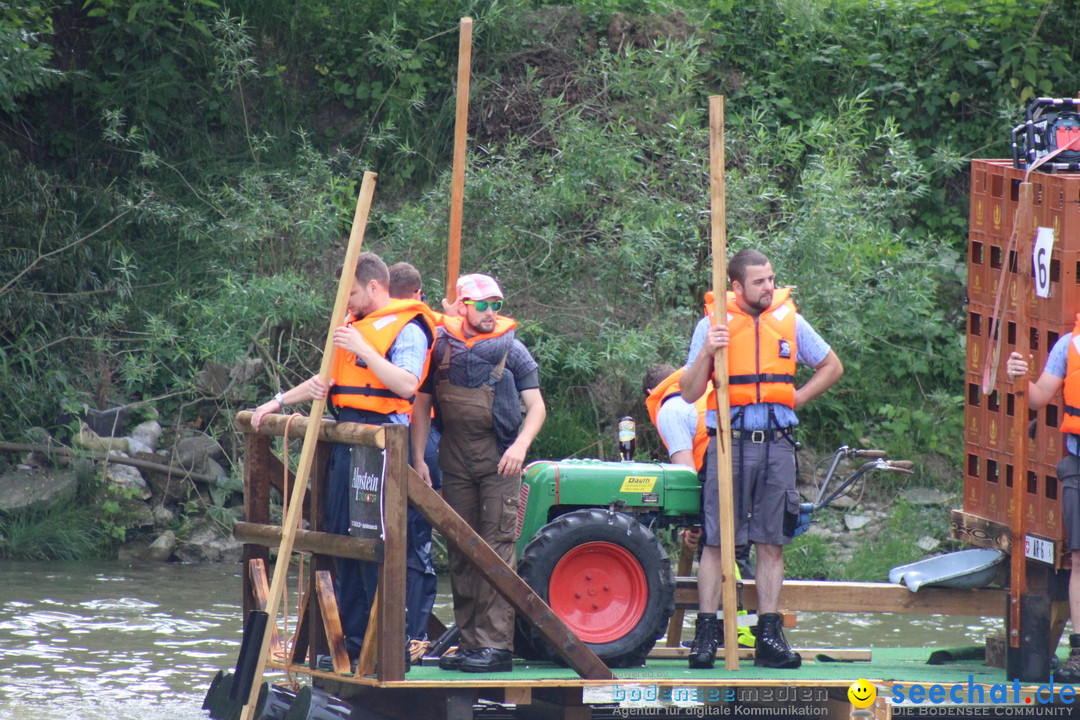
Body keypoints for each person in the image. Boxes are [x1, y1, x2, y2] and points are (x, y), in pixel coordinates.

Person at [251, 252, 437, 661]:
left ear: (374, 286)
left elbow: (407, 385)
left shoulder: (407, 328)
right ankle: (352, 643)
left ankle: (389, 646)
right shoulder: (353, 325)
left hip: (383, 443)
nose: (345, 301)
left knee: (374, 543)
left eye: (350, 292)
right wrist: (277, 401)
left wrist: (364, 349)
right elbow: (326, 379)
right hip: (345, 442)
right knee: (341, 538)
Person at [680, 248, 843, 670]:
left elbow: (831, 365)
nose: (769, 287)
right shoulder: (711, 325)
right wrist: (705, 354)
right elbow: (689, 392)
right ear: (736, 286)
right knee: (716, 540)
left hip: (777, 443)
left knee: (772, 541)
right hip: (728, 442)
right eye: (759, 282)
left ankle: (769, 634)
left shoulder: (790, 320)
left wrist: (797, 397)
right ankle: (706, 634)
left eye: (771, 279)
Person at [411, 273, 546, 673]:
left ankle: (496, 648)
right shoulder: (440, 349)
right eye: (482, 304)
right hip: (454, 462)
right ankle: (471, 644)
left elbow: (536, 407)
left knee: (496, 551)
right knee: (460, 552)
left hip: (499, 462)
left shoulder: (514, 351)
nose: (490, 312)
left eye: (496, 305)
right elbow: (420, 405)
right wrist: (419, 458)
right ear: (463, 305)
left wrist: (520, 448)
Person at [1007, 340, 1080, 682]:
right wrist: (1018, 377)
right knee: (1079, 558)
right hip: (1078, 463)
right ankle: (1079, 652)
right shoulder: (1069, 344)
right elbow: (1037, 398)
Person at [644, 364, 755, 582]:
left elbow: (687, 475)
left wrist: (692, 521)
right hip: (751, 474)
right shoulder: (706, 391)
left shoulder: (670, 409)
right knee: (739, 552)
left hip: (722, 485)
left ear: (650, 393)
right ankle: (752, 613)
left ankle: (738, 615)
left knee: (721, 555)